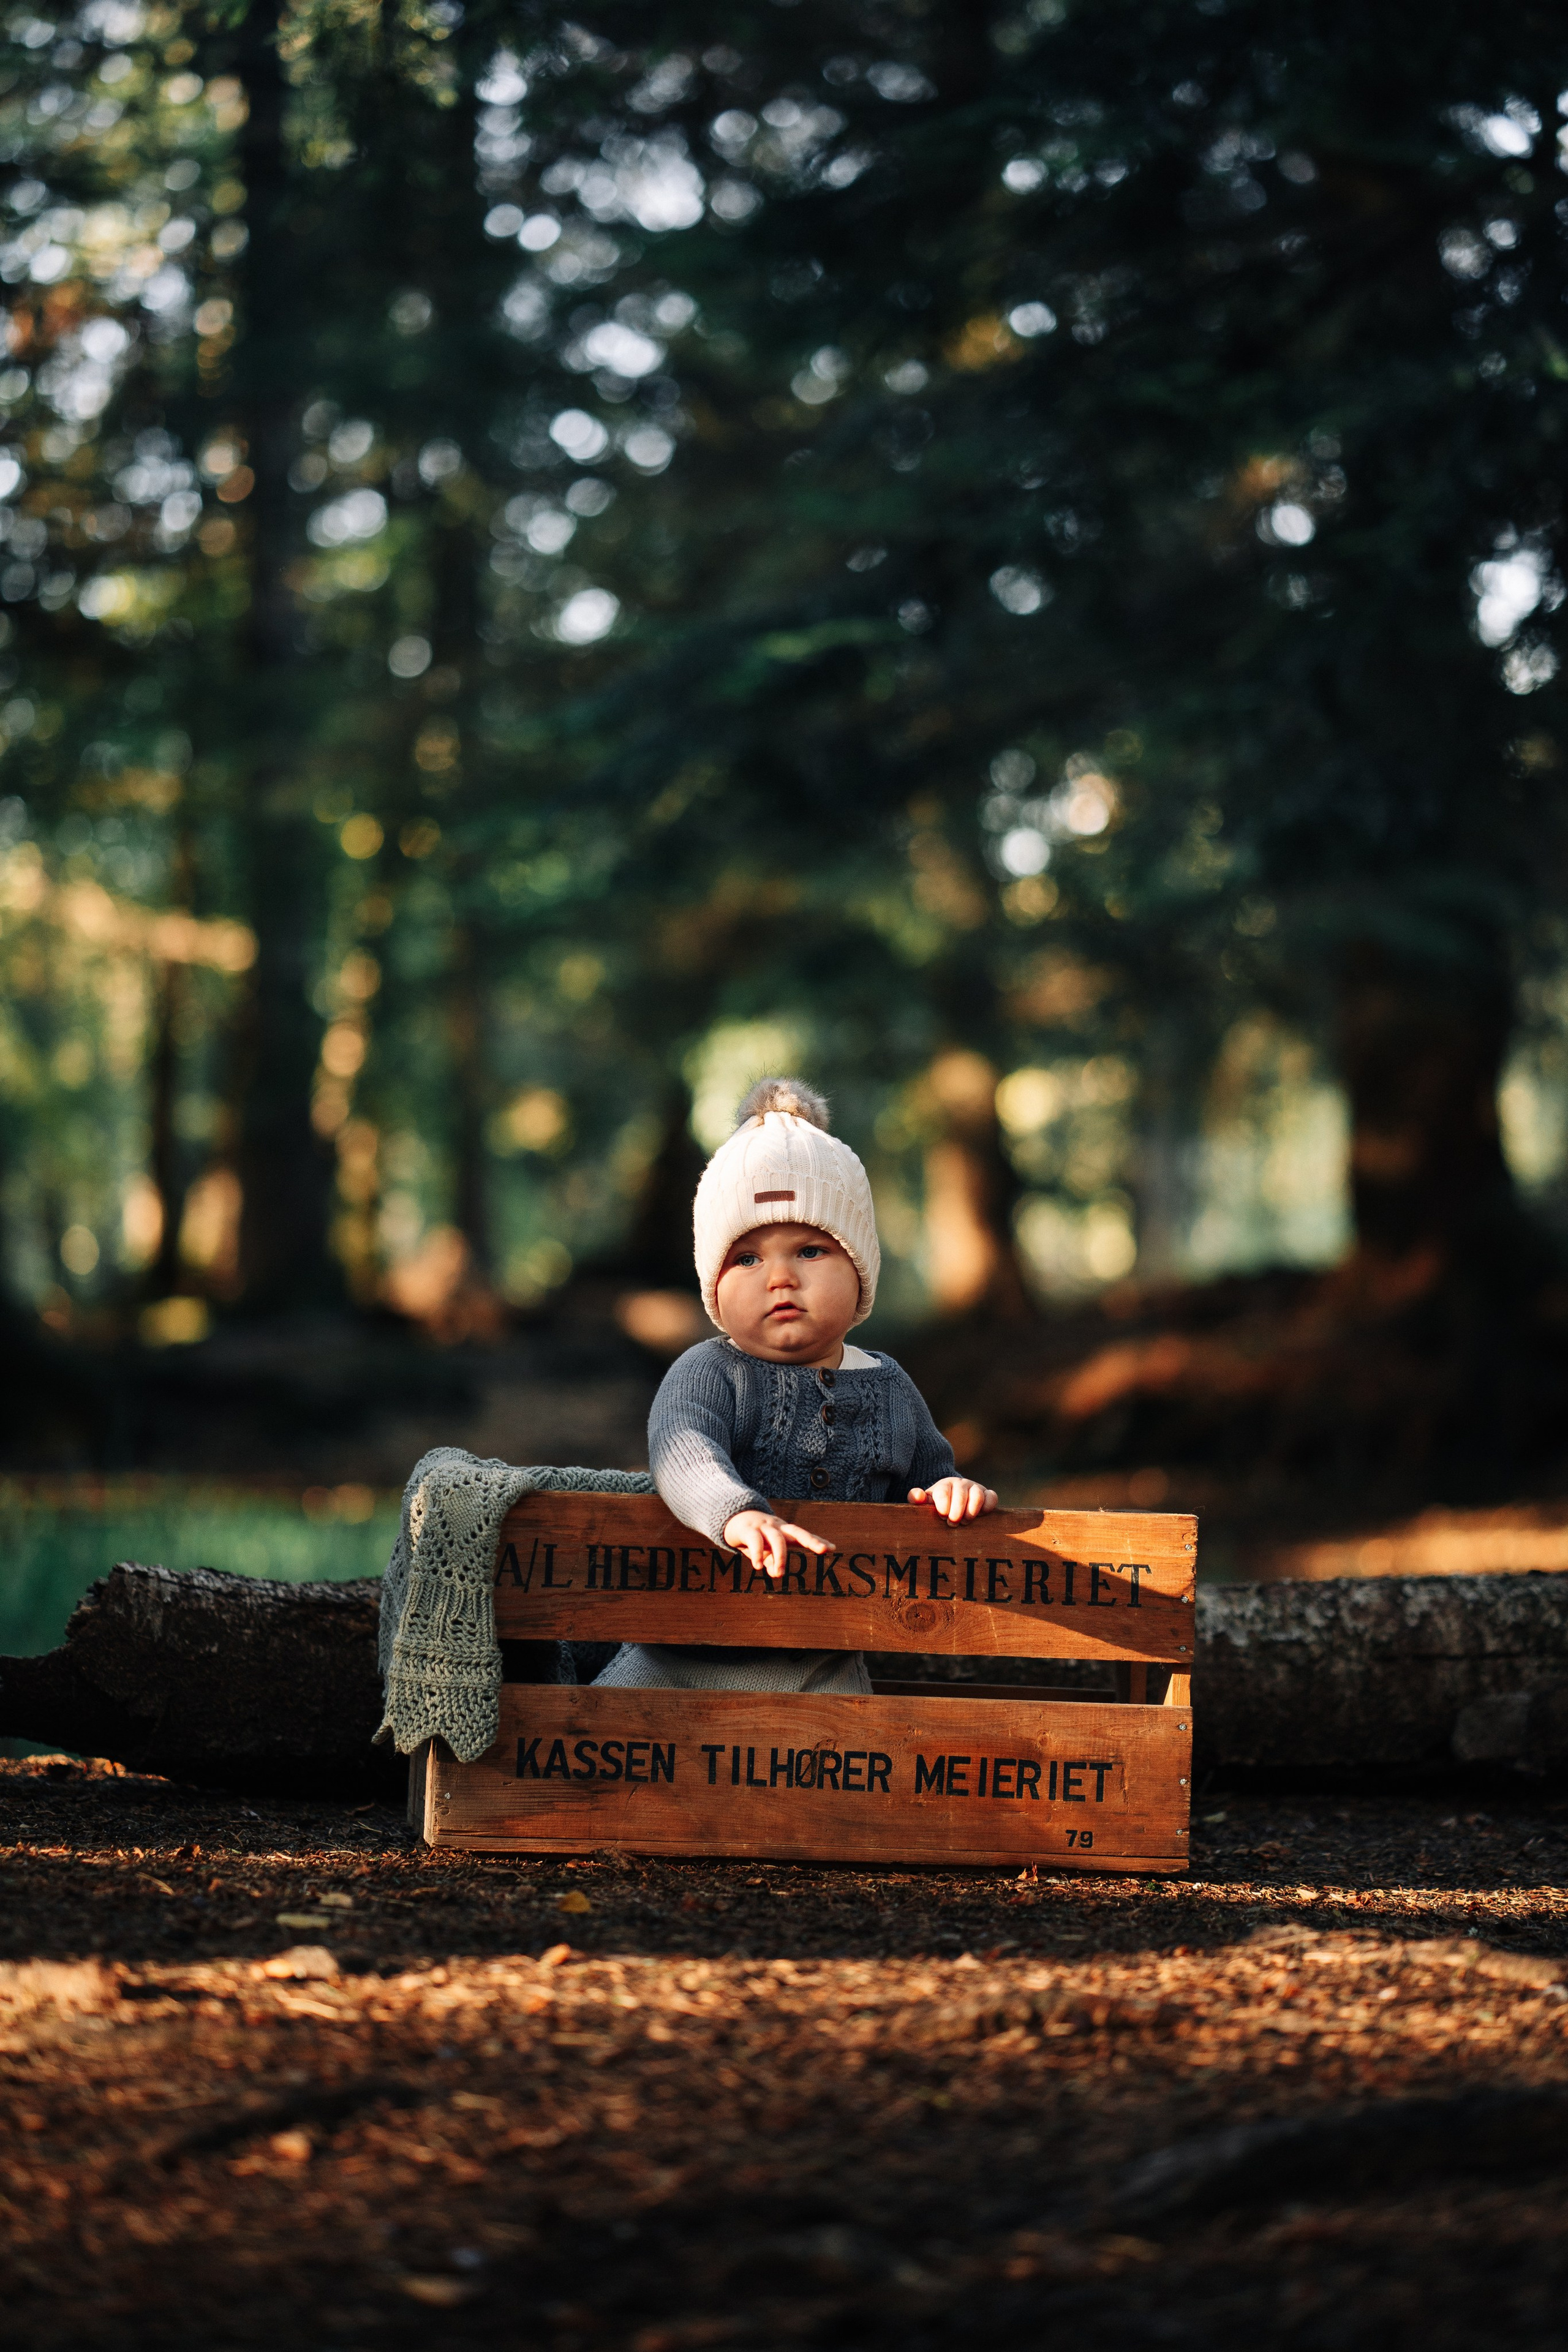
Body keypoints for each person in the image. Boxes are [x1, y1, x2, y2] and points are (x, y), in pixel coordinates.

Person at [594, 1076, 998, 1692]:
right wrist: (736, 1517)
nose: (779, 1278)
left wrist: (949, 1492)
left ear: (860, 1270)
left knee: (836, 1774)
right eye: (748, 1259)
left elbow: (927, 1471)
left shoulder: (888, 1385)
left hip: (825, 1662)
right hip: (681, 1656)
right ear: (714, 1287)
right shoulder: (709, 1373)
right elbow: (683, 1453)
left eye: (809, 1251)